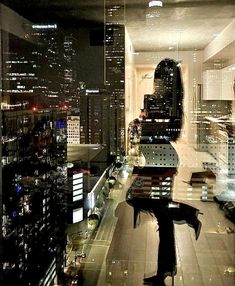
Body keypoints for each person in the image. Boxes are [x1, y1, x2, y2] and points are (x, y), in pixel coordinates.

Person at [126, 58, 202, 285]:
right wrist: (142, 121)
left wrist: (146, 124)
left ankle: (163, 272)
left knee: (139, 200)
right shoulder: (153, 100)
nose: (160, 80)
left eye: (164, 75)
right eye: (159, 75)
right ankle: (187, 216)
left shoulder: (171, 104)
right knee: (158, 211)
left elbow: (170, 133)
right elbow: (148, 126)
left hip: (162, 159)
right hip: (155, 157)